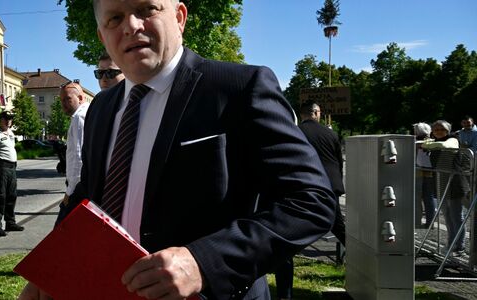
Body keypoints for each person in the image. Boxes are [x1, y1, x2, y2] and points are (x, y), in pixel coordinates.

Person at [19, 0, 336, 299]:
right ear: (102, 35)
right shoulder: (101, 108)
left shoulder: (239, 88)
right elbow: (88, 196)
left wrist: (204, 262)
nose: (130, 25)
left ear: (180, 17)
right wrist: (54, 268)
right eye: (114, 18)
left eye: (147, 9)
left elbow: (311, 200)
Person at [273, 102, 347, 299]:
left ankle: (284, 292)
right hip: (330, 186)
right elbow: (339, 160)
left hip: (303, 186)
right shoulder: (331, 133)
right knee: (339, 228)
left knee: (289, 238)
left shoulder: (295, 132)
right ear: (316, 113)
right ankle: (361, 264)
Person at [423, 120, 470, 256]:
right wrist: (428, 143)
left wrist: (428, 143)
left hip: (455, 183)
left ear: (447, 130)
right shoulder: (433, 142)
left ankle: (459, 246)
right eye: (435, 129)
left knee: (456, 217)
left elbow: (443, 145)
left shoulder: (453, 140)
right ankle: (451, 243)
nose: (438, 131)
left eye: (441, 129)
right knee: (448, 217)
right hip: (440, 182)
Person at [56, 81, 90, 222]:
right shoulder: (88, 112)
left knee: (61, 233)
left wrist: (70, 192)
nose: (64, 103)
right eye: (62, 100)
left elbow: (78, 158)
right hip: (86, 185)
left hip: (78, 188)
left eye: (68, 99)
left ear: (80, 98)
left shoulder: (78, 117)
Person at [0, 111, 23, 237]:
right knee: (0, 197)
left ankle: (10, 222)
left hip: (12, 168)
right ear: (1, 120)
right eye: (6, 119)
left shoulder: (11, 134)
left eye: (10, 119)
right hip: (1, 167)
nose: (8, 121)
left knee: (12, 195)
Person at [414, 122, 437, 227]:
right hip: (430, 171)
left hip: (417, 170)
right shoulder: (433, 141)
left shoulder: (414, 142)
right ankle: (430, 222)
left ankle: (417, 221)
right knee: (429, 197)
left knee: (417, 197)